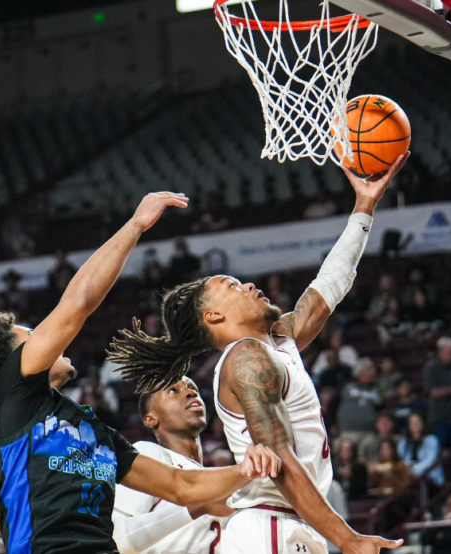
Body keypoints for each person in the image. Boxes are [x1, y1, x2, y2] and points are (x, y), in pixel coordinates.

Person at [107, 159, 411, 554]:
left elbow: (327, 289)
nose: (248, 284)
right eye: (232, 285)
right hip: (271, 527)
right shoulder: (246, 359)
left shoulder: (275, 342)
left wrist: (363, 209)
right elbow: (279, 458)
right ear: (214, 316)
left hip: (288, 525)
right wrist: (347, 539)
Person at [0, 192, 281, 554]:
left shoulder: (95, 432)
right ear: (11, 364)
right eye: (31, 335)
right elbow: (78, 304)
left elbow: (181, 486)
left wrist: (245, 471)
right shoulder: (13, 399)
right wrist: (136, 225)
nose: (45, 337)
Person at [112, 377, 234, 554]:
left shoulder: (213, 479)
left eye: (193, 388)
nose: (191, 392)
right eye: (173, 390)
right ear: (151, 419)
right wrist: (195, 507)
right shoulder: (150, 455)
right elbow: (115, 540)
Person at [336, 359, 382, 449]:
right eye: (369, 371)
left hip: (367, 433)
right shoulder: (347, 387)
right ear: (360, 373)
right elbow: (333, 405)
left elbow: (381, 409)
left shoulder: (376, 390)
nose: (372, 373)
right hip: (346, 431)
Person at [397, 413, 444, 487]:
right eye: (411, 422)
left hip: (430, 477)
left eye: (417, 421)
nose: (414, 424)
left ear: (423, 423)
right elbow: (403, 459)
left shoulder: (431, 440)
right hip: (410, 477)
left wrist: (413, 471)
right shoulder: (404, 442)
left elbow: (430, 461)